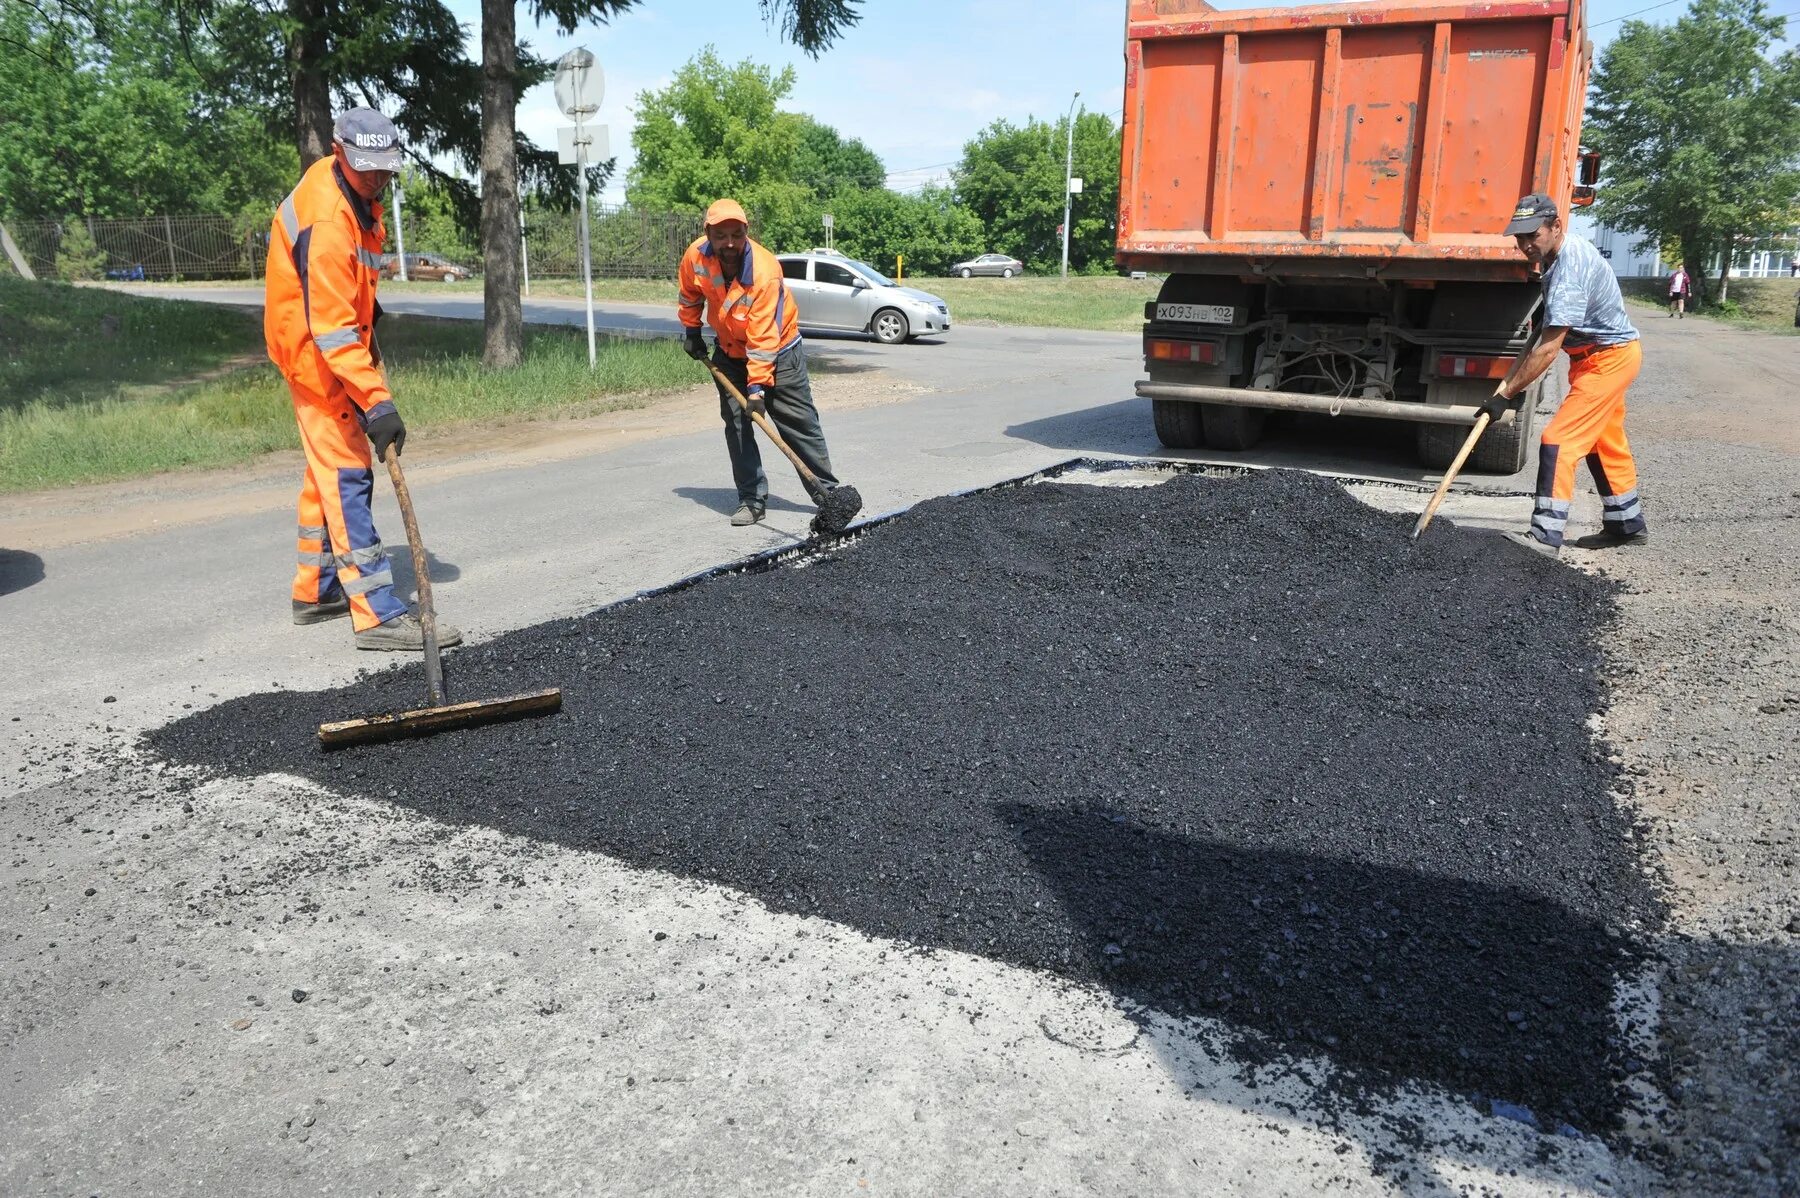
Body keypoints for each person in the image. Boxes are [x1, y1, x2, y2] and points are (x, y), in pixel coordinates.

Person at [264, 108, 460, 649]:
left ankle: (317, 587)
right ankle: (376, 613)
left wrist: (372, 330)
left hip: (328, 345)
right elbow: (331, 330)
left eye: (383, 170)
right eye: (366, 167)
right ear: (338, 150)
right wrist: (377, 403)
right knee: (348, 472)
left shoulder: (358, 198)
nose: (376, 178)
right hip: (315, 357)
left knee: (325, 470)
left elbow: (353, 297)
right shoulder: (328, 219)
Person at [1477, 193, 1648, 556]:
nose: (1525, 245)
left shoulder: (1570, 265)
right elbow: (1551, 330)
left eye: (1532, 236)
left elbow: (1548, 349)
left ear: (1556, 226)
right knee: (1603, 442)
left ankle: (1545, 535)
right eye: (1519, 238)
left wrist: (1504, 395)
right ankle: (1626, 524)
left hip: (1608, 359)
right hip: (1597, 358)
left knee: (1558, 440)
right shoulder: (1557, 256)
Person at [677, 198, 842, 527]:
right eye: (721, 235)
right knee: (737, 426)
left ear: (746, 232)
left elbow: (763, 338)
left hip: (779, 353)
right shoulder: (695, 256)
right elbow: (689, 294)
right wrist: (692, 330)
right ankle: (751, 499)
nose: (729, 243)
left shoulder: (764, 272)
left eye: (736, 235)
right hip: (728, 351)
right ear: (707, 232)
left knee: (798, 423)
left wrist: (756, 390)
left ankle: (829, 495)